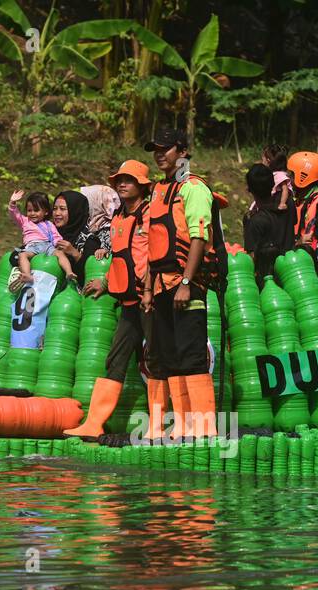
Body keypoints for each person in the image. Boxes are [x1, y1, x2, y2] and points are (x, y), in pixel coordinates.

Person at [65, 160, 158, 439]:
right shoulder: (117, 216)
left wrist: (150, 290)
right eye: (119, 180)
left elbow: (155, 255)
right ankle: (94, 424)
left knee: (155, 360)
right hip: (128, 303)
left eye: (128, 179)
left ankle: (156, 426)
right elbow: (121, 258)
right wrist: (106, 282)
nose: (122, 184)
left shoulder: (152, 214)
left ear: (142, 184)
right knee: (115, 359)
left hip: (150, 300)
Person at [144, 127, 221, 439]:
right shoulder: (159, 191)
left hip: (187, 283)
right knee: (166, 355)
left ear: (183, 151)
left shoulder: (194, 188)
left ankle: (204, 426)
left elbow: (199, 236)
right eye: (156, 149)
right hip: (162, 285)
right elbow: (154, 243)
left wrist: (187, 282)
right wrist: (149, 289)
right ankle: (179, 424)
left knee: (190, 353)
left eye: (166, 148)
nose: (160, 154)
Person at [8, 189, 70, 289]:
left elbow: (55, 236)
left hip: (47, 245)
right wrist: (12, 203)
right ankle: (27, 274)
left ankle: (69, 272)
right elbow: (14, 214)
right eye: (29, 210)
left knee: (60, 254)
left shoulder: (49, 224)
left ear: (45, 212)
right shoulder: (25, 221)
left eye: (36, 210)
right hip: (32, 247)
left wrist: (58, 244)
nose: (32, 213)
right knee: (22, 255)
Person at [243, 163, 294, 285]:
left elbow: (251, 258)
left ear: (249, 190)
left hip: (268, 284)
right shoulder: (289, 206)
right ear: (273, 184)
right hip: (291, 275)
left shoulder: (254, 221)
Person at [52, 190, 111, 287]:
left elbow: (89, 275)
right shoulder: (49, 232)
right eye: (54, 209)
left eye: (62, 209)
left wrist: (74, 253)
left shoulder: (89, 240)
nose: (57, 213)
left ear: (75, 211)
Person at [288, 150, 318, 255]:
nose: (289, 178)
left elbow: (308, 239)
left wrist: (297, 244)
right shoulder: (301, 198)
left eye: (292, 175)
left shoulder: (316, 201)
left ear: (302, 177)